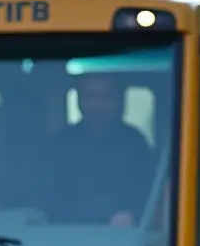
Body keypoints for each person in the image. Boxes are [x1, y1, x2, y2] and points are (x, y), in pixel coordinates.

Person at [50, 73, 156, 226]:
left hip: (124, 240)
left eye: (107, 96)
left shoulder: (136, 143)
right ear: (80, 102)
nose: (98, 105)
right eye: (90, 97)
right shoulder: (58, 145)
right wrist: (100, 217)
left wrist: (134, 214)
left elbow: (149, 196)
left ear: (120, 101)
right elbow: (48, 201)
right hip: (63, 238)